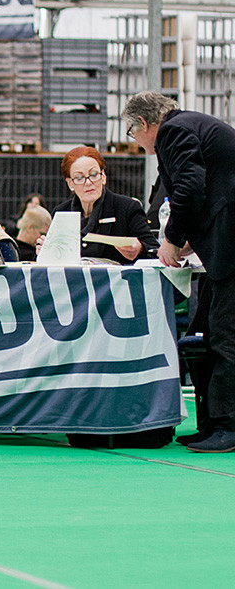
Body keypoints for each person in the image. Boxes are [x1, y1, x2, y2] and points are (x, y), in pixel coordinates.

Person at [123, 91, 235, 452]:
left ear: (142, 123)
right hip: (223, 242)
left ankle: (229, 426)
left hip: (230, 245)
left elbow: (189, 187)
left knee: (225, 334)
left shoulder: (173, 131)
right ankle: (216, 422)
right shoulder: (192, 125)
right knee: (212, 330)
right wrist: (188, 240)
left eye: (131, 132)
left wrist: (171, 239)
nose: (135, 141)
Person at [49, 145, 157, 265]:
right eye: (79, 178)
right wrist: (47, 251)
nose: (88, 182)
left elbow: (154, 250)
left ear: (103, 177)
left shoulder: (127, 208)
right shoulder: (61, 213)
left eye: (94, 175)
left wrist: (140, 249)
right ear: (70, 184)